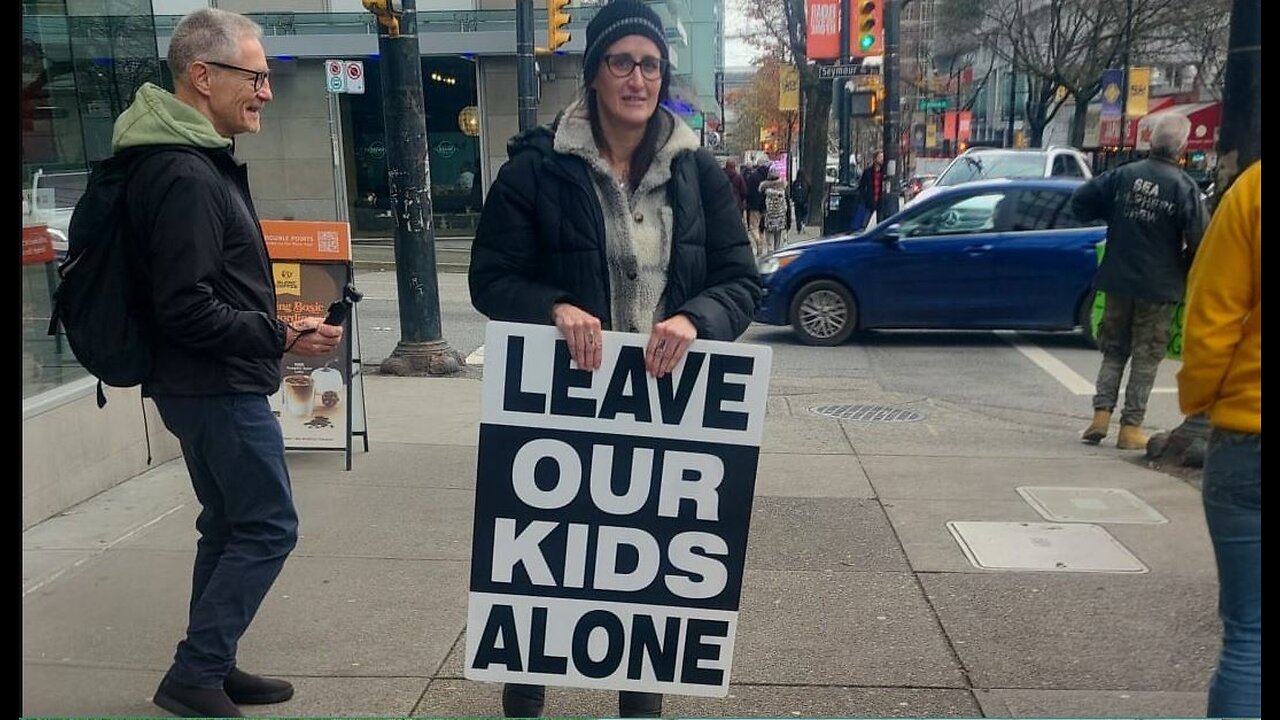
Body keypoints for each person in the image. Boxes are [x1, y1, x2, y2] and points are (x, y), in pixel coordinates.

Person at [467, 1, 760, 716]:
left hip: (665, 408)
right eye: (622, 61)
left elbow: (742, 282)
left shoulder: (699, 174)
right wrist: (554, 307)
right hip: (562, 402)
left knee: (649, 571)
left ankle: (640, 704)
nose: (638, 77)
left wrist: (696, 318)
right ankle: (526, 695)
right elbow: (490, 279)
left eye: (650, 63)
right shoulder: (535, 168)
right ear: (594, 71)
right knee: (544, 563)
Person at [115, 9, 344, 717]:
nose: (266, 92)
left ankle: (213, 662)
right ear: (202, 76)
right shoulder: (184, 173)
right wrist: (277, 337)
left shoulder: (185, 159)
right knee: (269, 525)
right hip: (214, 387)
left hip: (204, 381)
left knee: (227, 524)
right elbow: (183, 307)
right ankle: (196, 671)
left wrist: (277, 333)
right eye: (257, 77)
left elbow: (200, 294)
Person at [1176, 161, 1260, 719]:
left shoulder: (1253, 190)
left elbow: (1212, 316)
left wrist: (1202, 400)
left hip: (1251, 430)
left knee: (1251, 635)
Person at [1072, 114, 1207, 449]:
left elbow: (1081, 201)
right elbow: (1201, 238)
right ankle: (1130, 427)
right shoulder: (1184, 186)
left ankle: (1100, 416)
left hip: (1118, 278)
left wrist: (1112, 217)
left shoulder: (1123, 176)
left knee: (1114, 350)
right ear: (1182, 147)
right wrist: (1184, 266)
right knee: (1146, 356)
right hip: (1159, 285)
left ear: (1151, 142)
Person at [744, 155, 769, 255]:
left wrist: (748, 203)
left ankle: (758, 241)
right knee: (762, 227)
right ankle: (761, 245)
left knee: (753, 227)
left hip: (754, 205)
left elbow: (748, 191)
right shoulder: (769, 175)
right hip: (766, 205)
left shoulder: (753, 176)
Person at [759, 167, 788, 254]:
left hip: (769, 217)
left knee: (769, 240)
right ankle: (777, 254)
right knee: (778, 239)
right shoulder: (782, 189)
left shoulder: (765, 189)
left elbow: (762, 204)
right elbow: (786, 206)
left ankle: (770, 255)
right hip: (780, 217)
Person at [856, 151, 885, 230]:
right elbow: (861, 186)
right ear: (875, 159)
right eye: (880, 157)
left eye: (882, 157)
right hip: (870, 201)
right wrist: (865, 198)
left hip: (880, 201)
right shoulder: (868, 172)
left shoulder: (884, 172)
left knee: (881, 226)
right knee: (863, 224)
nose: (882, 159)